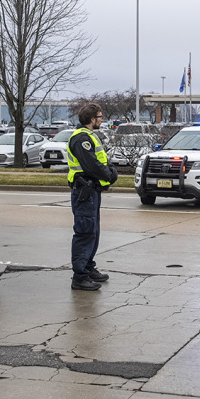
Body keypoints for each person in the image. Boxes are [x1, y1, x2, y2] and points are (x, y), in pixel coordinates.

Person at [67, 103, 119, 290]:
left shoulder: (89, 136)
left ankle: (88, 268)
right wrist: (110, 174)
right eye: (100, 116)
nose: (101, 119)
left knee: (93, 232)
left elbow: (100, 160)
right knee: (85, 232)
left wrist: (109, 170)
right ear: (91, 119)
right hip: (84, 192)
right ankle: (79, 277)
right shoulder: (82, 138)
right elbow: (92, 165)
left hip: (91, 192)